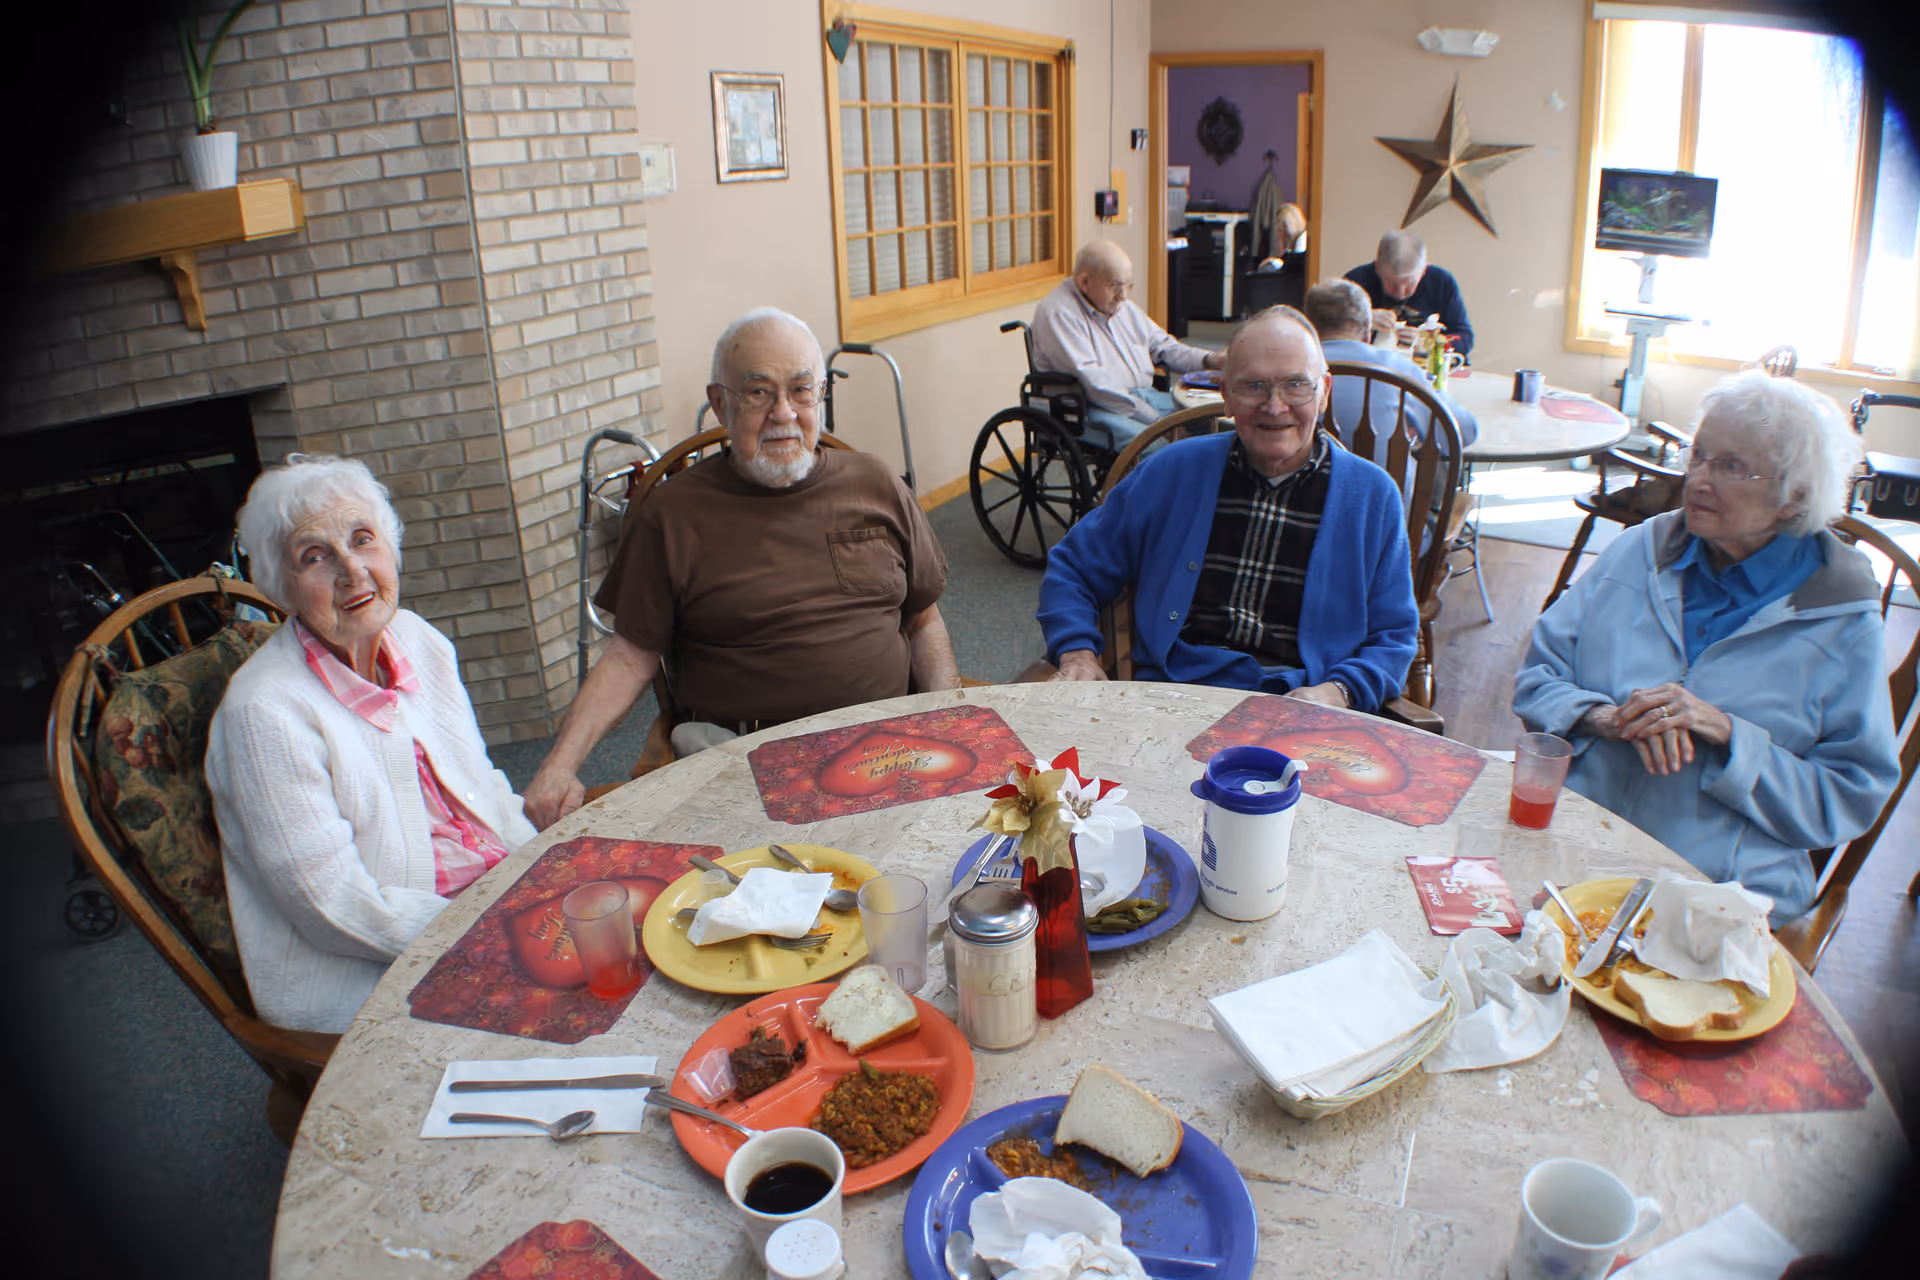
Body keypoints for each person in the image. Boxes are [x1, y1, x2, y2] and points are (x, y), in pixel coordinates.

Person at [523, 307, 960, 828]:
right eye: (758, 392)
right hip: (747, 763)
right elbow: (630, 655)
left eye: (802, 390)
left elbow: (923, 620)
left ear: (821, 394)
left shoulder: (875, 482)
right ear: (719, 404)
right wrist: (558, 766)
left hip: (884, 745)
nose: (783, 413)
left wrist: (947, 722)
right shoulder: (676, 513)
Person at [1512, 370, 1898, 923]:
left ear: (1795, 497)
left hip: (1712, 893)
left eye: (1732, 467)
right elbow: (1536, 679)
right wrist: (1604, 718)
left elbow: (1848, 794)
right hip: (1570, 843)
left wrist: (1727, 735)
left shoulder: (1838, 621)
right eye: (1699, 456)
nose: (1699, 480)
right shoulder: (1642, 550)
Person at [205, 456, 538, 1035]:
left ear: (391, 548)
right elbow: (330, 906)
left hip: (491, 904)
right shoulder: (264, 712)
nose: (352, 571)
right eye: (315, 557)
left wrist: (542, 876)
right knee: (585, 1007)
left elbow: (482, 783)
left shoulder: (418, 641)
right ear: (283, 588)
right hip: (372, 964)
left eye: (364, 540)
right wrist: (489, 933)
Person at [1038, 306, 1417, 712]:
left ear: (1323, 391)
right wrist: (1077, 651)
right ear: (1226, 395)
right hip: (1171, 698)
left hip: (1303, 708)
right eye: (1253, 386)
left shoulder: (1373, 496)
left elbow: (1394, 636)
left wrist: (1339, 690)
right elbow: (1074, 566)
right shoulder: (1171, 472)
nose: (1275, 406)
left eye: (1295, 385)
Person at [1030, 240, 1225, 450]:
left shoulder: (1121, 306)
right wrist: (1157, 422)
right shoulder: (1058, 314)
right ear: (1084, 282)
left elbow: (1164, 346)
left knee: (1210, 423)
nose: (1123, 296)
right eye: (1115, 286)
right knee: (1157, 448)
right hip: (1088, 409)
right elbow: (1097, 386)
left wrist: (1210, 360)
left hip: (1141, 396)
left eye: (1128, 285)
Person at [1304, 277, 1478, 464]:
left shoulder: (1293, 368)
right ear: (1367, 330)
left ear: (1309, 326)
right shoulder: (1399, 369)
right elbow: (1465, 431)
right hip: (1389, 492)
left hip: (1305, 491)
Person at [1345, 230, 1474, 358]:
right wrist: (1361, 320)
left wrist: (1429, 344)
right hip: (1369, 367)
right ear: (1377, 268)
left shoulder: (1441, 282)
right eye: (1392, 283)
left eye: (1410, 283)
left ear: (1424, 269)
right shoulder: (1355, 283)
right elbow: (1329, 335)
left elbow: (1465, 338)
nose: (1400, 294)